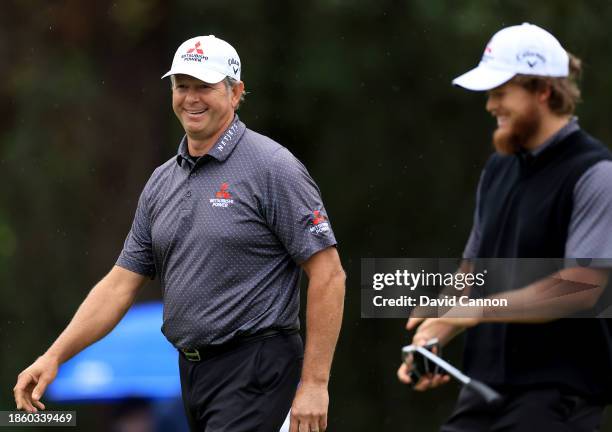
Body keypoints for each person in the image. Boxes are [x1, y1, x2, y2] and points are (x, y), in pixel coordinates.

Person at [14, 35, 345, 432]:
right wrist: (55, 356)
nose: (191, 98)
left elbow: (329, 275)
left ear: (236, 92)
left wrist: (315, 384)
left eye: (204, 86)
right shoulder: (161, 182)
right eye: (182, 86)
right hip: (191, 376)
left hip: (258, 367)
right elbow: (119, 285)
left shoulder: (273, 168)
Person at [398, 23, 612, 431]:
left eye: (500, 93)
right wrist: (435, 334)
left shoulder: (596, 173)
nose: (490, 105)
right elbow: (474, 271)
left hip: (558, 399)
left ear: (543, 92)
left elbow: (582, 287)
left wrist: (476, 311)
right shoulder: (498, 167)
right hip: (484, 390)